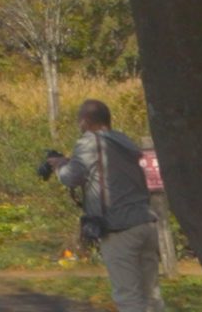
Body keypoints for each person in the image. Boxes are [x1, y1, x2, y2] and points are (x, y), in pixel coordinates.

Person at [41, 100, 162, 312]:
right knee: (151, 295)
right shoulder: (124, 142)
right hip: (145, 222)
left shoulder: (89, 142)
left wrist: (60, 165)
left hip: (119, 228)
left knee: (128, 296)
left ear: (85, 122)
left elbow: (71, 178)